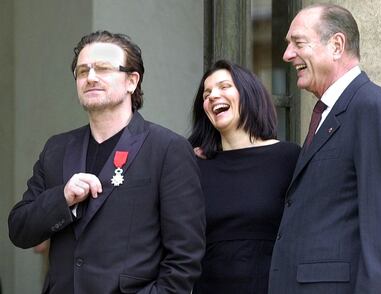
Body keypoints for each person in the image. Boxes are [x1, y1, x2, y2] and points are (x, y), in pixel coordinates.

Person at [8, 30, 205, 294]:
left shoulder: (167, 148)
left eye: (102, 68)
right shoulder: (57, 148)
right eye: (82, 71)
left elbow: (185, 256)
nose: (90, 78)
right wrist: (63, 199)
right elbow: (20, 229)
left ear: (132, 81)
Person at [268, 4, 381, 294]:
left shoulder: (372, 108)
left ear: (336, 45)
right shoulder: (327, 113)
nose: (287, 54)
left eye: (298, 43)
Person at [189, 59, 301, 293]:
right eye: (206, 93)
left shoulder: (288, 157)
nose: (212, 96)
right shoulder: (194, 165)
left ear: (249, 94)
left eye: (224, 86)